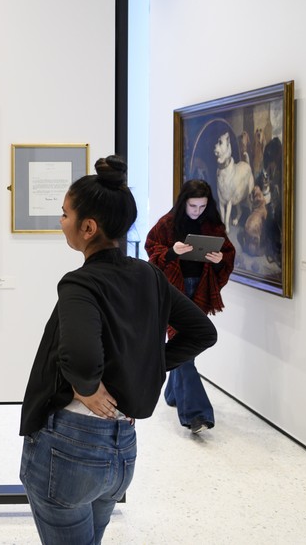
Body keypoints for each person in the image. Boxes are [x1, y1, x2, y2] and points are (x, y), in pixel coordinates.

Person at [20, 156, 217, 545]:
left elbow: (80, 357)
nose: (61, 222)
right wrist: (147, 365)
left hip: (70, 447)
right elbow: (201, 332)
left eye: (64, 214)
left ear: (88, 227)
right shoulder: (148, 275)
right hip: (122, 448)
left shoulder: (80, 283)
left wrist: (87, 385)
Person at [145, 178, 235, 434]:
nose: (197, 211)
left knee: (187, 343)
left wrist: (218, 259)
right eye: (193, 206)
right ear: (183, 202)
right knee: (184, 343)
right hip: (173, 288)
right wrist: (173, 251)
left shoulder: (213, 225)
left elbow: (227, 255)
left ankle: (173, 393)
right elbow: (152, 248)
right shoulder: (167, 223)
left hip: (200, 288)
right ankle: (197, 414)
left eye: (202, 206)